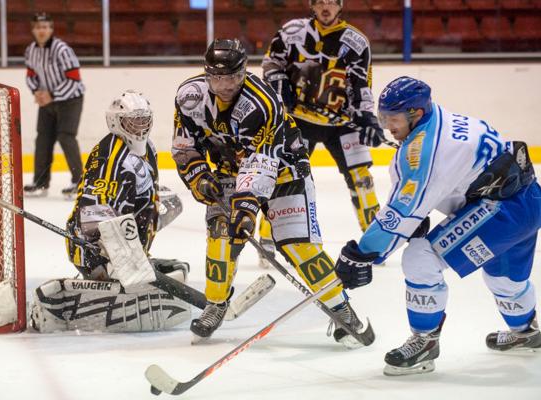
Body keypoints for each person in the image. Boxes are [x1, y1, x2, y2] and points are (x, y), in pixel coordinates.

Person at [334, 76, 541, 376]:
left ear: (415, 114)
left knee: (419, 257)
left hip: (503, 211)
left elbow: (403, 210)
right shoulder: (438, 117)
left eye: (393, 119)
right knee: (504, 278)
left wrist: (362, 253)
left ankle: (425, 342)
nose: (387, 126)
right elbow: (447, 176)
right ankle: (525, 331)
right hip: (528, 200)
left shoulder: (425, 151)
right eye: (383, 118)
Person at [172, 38, 365, 346]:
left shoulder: (262, 103)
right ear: (206, 74)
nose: (223, 85)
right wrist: (198, 176)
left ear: (244, 73)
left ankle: (341, 308)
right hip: (230, 171)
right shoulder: (189, 97)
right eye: (216, 77)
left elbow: (260, 163)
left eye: (231, 78)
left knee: (299, 247)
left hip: (285, 170)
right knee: (221, 236)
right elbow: (184, 146)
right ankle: (216, 303)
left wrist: (246, 210)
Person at [30, 90, 191, 333]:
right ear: (116, 121)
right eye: (133, 121)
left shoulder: (148, 147)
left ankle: (134, 261)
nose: (140, 126)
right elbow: (92, 211)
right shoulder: (111, 158)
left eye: (144, 119)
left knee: (171, 202)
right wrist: (115, 257)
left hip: (124, 234)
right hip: (93, 245)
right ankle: (104, 274)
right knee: (109, 235)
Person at [260, 0, 385, 266]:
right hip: (299, 121)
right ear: (312, 5)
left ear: (340, 6)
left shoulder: (356, 41)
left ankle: (377, 242)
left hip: (341, 122)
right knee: (285, 174)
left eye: (331, 1)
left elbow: (362, 84)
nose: (325, 7)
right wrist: (279, 84)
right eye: (320, 2)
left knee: (361, 177)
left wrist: (367, 117)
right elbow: (272, 63)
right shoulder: (292, 31)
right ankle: (268, 239)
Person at [24, 12, 84, 199]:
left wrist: (52, 95)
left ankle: (79, 182)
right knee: (42, 139)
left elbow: (74, 79)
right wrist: (37, 92)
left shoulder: (62, 49)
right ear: (33, 30)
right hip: (47, 101)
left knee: (66, 137)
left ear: (51, 29)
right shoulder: (31, 50)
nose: (42, 31)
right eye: (38, 27)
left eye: (45, 27)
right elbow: (31, 75)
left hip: (70, 100)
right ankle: (40, 183)